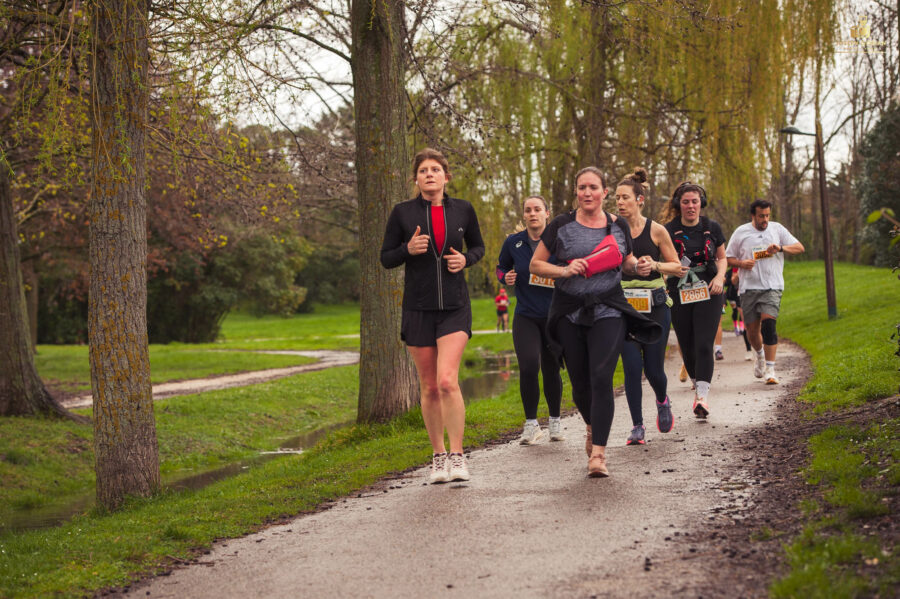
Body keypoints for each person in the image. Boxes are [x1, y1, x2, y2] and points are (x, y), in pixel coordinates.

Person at [531, 166, 660, 478]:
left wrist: (639, 267)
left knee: (602, 375)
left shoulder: (618, 226)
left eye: (593, 187)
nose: (587, 193)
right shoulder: (560, 225)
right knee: (580, 381)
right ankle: (591, 424)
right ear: (577, 192)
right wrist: (564, 271)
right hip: (569, 311)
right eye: (581, 187)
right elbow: (536, 264)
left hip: (608, 308)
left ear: (604, 193)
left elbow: (624, 261)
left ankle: (599, 454)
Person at [380, 148, 485, 483]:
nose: (429, 174)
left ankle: (458, 456)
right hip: (418, 308)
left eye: (435, 169)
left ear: (446, 176)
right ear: (416, 178)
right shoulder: (402, 213)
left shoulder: (464, 210)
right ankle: (438, 456)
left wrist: (465, 261)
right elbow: (385, 258)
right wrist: (406, 251)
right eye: (423, 170)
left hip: (455, 307)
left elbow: (478, 247)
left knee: (446, 381)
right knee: (428, 386)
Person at [614, 167, 686, 445]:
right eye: (617, 198)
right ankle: (637, 426)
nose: (620, 203)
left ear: (639, 199)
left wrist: (654, 265)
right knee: (631, 367)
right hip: (625, 308)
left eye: (625, 197)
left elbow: (677, 267)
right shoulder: (612, 230)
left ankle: (662, 400)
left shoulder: (656, 230)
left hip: (655, 306)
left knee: (653, 369)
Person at [496, 195, 564, 445]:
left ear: (547, 213)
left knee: (551, 368)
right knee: (527, 367)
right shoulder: (513, 243)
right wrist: (506, 277)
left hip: (554, 316)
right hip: (526, 315)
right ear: (523, 215)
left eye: (537, 209)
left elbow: (571, 269)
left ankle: (555, 421)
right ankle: (531, 424)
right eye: (528, 210)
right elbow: (500, 267)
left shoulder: (558, 242)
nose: (533, 214)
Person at [664, 181, 727, 418]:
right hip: (679, 290)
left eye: (695, 201)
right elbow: (659, 260)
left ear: (702, 203)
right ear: (677, 204)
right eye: (686, 202)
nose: (691, 206)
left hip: (709, 289)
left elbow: (722, 257)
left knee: (703, 343)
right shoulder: (667, 230)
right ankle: (695, 381)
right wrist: (669, 270)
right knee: (687, 344)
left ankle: (702, 397)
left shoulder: (712, 227)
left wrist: (720, 277)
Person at [725, 199, 804, 384]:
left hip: (772, 286)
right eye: (761, 216)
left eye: (767, 215)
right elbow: (728, 258)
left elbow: (800, 248)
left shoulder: (777, 229)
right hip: (749, 287)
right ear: (753, 215)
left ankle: (770, 369)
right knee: (752, 330)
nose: (765, 219)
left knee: (769, 325)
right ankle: (759, 356)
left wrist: (780, 248)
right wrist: (742, 263)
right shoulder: (741, 232)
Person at [725, 267, 754, 361]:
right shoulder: (738, 261)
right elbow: (733, 281)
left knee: (759, 323)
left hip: (760, 291)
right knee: (746, 324)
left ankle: (760, 349)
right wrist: (739, 270)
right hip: (742, 293)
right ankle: (749, 350)